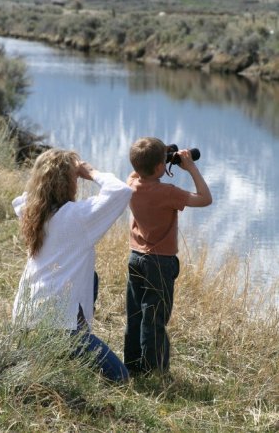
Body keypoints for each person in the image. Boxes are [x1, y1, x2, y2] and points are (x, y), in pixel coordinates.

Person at [12, 148, 132, 382]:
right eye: (74, 178)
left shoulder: (31, 211)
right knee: (121, 378)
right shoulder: (76, 217)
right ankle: (68, 348)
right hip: (61, 326)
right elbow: (121, 191)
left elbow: (27, 196)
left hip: (26, 318)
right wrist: (90, 171)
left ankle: (56, 354)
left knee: (91, 276)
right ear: (67, 182)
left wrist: (52, 171)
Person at [124, 137, 212, 375]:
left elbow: (138, 169)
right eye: (164, 160)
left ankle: (132, 366)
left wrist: (161, 157)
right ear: (160, 167)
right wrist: (190, 167)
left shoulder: (131, 185)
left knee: (135, 314)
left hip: (136, 258)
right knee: (155, 318)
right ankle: (154, 372)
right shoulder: (168, 193)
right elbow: (205, 198)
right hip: (159, 263)